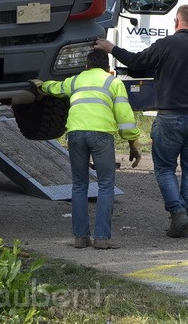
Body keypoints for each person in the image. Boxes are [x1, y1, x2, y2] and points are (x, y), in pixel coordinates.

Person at [96, 4, 188, 238]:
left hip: (170, 117)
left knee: (165, 167)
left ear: (177, 22)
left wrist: (112, 48)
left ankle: (178, 213)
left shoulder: (166, 45)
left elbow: (137, 62)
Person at [33, 49, 141, 250]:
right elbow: (124, 116)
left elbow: (57, 88)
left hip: (75, 135)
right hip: (101, 136)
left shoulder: (76, 80)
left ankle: (81, 238)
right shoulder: (113, 82)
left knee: (79, 186)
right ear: (108, 68)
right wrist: (132, 142)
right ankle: (102, 238)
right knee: (106, 185)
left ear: (86, 66)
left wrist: (42, 85)